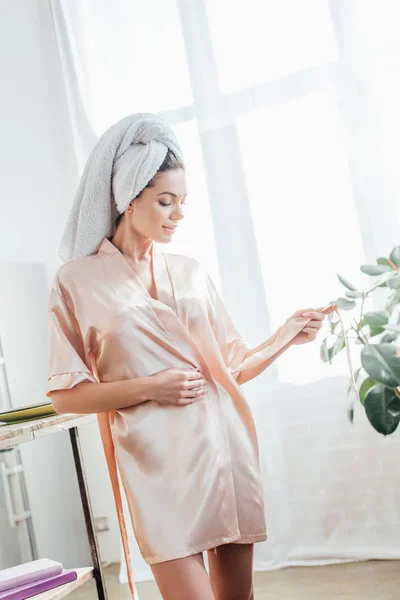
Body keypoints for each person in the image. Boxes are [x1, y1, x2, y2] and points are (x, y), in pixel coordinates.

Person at [46, 113, 331, 600]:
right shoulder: (76, 280)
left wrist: (284, 336)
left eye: (183, 202)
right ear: (127, 197)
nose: (178, 214)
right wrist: (150, 388)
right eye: (165, 201)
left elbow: (229, 369)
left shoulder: (192, 272)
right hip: (158, 472)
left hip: (225, 452)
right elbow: (64, 397)